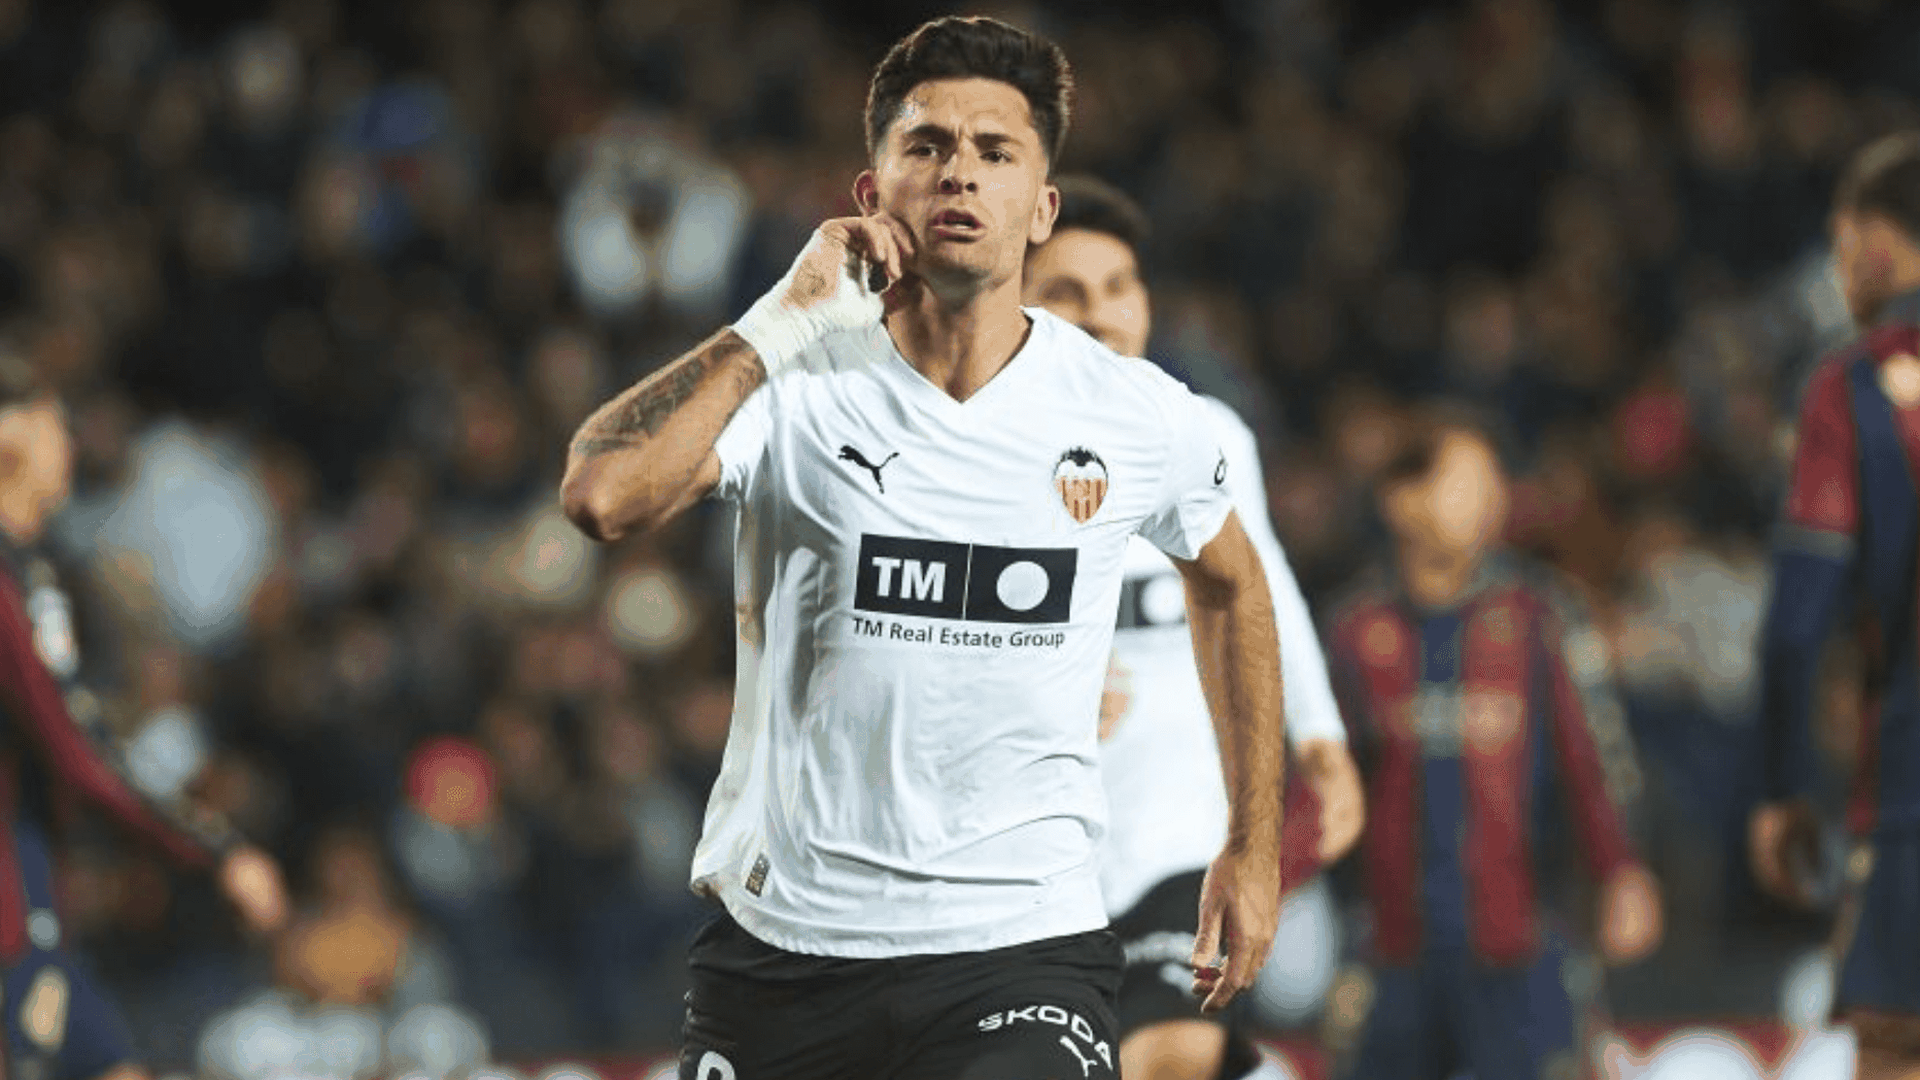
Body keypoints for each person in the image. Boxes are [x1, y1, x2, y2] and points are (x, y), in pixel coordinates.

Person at [559, 17, 1287, 1080]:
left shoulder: (1133, 412)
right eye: (928, 145)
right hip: (786, 953)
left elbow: (1231, 583)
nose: (960, 173)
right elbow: (601, 496)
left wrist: (1253, 844)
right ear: (872, 193)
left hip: (1022, 948)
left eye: (996, 151)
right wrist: (780, 319)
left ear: (1041, 209)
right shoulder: (797, 387)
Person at [1023, 176, 1363, 1080]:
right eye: (1067, 292)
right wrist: (1032, 684)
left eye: (1119, 287)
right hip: (1033, 862)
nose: (1102, 314)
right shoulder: (974, 454)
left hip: (1182, 839)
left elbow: (1265, 594)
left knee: (1173, 1053)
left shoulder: (1204, 435)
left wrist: (1321, 740)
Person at [1325, 411, 1662, 1080]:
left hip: (1522, 946)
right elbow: (1316, 781)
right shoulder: (1355, 630)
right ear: (1401, 499)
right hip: (1391, 950)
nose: (1489, 501)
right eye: (1465, 482)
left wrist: (1622, 869)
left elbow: (1593, 758)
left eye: (1492, 483)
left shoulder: (1541, 617)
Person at [0, 358, 289, 1080]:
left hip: (33, 905)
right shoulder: (9, 580)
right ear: (10, 437)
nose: (69, 446)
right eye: (54, 426)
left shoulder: (34, 569)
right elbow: (78, 749)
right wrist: (214, 849)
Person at [1750, 130, 1920, 1080]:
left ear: (1878, 242)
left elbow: (1795, 623)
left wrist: (1782, 787)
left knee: (1896, 1045)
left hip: (1911, 783)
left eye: (1842, 241)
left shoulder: (1851, 387)